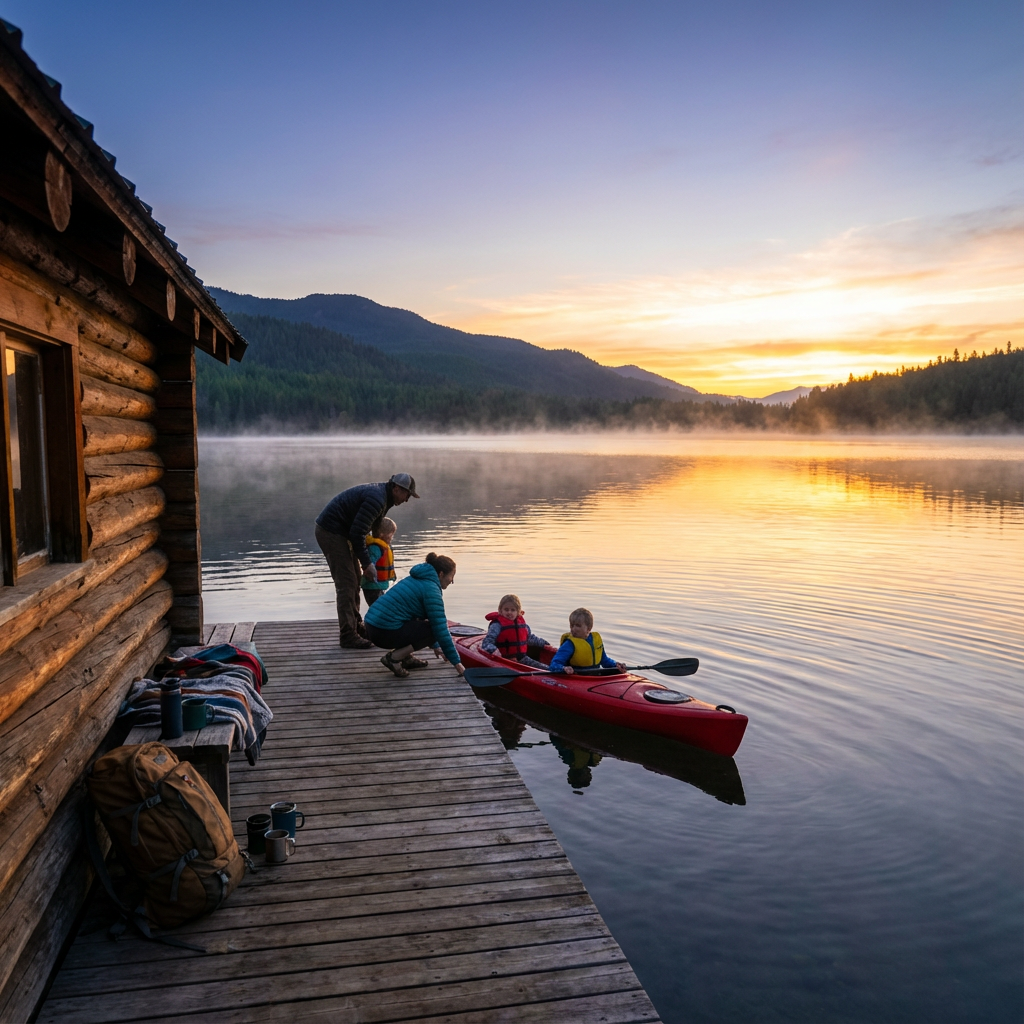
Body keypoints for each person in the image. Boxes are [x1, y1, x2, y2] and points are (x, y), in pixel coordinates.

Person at [314, 473, 418, 649]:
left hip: (343, 533)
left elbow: (363, 530)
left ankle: (356, 627)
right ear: (396, 488)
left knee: (354, 580)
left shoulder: (384, 498)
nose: (407, 500)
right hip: (331, 531)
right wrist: (367, 564)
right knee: (347, 584)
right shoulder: (377, 499)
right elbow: (357, 533)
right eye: (407, 494)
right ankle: (348, 635)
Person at [364, 552, 466, 679]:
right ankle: (393, 658)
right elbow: (440, 629)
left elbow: (415, 618)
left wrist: (436, 646)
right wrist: (457, 663)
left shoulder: (416, 579)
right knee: (434, 629)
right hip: (383, 632)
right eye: (452, 576)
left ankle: (406, 658)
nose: (452, 582)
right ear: (441, 574)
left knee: (420, 622)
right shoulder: (431, 589)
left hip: (371, 627)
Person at [548, 607, 626, 675]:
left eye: (578, 625)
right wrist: (563, 668)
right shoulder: (569, 644)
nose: (573, 628)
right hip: (577, 677)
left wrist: (616, 665)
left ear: (589, 628)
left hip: (595, 677)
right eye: (571, 625)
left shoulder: (596, 640)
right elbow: (554, 664)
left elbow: (604, 660)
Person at [480, 594, 549, 669]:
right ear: (500, 610)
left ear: (518, 612)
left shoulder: (523, 625)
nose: (509, 612)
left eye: (513, 610)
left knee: (545, 668)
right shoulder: (497, 625)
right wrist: (494, 651)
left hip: (521, 659)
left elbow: (530, 638)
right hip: (503, 660)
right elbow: (487, 642)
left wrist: (544, 643)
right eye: (506, 609)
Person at [361, 517, 397, 608]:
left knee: (381, 608)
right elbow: (369, 565)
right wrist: (364, 581)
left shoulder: (384, 546)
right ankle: (374, 622)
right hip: (372, 586)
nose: (392, 537)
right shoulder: (375, 548)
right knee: (378, 609)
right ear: (382, 534)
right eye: (391, 534)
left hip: (379, 585)